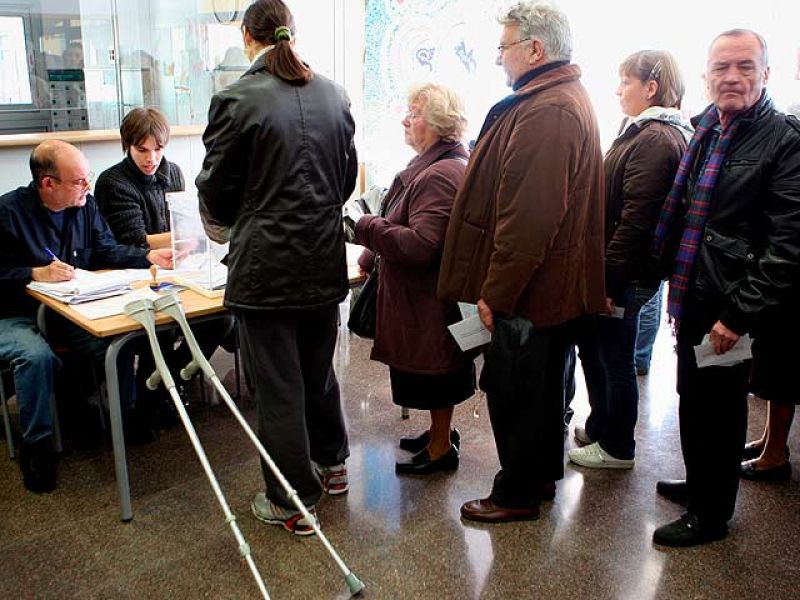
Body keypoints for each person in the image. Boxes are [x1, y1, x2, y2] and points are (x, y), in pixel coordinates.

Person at [438, 1, 605, 523]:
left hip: (531, 291)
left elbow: (529, 217)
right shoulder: (554, 97)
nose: (498, 58)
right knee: (540, 391)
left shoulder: (548, 109)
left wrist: (497, 292)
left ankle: (515, 494)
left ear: (535, 49)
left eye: (503, 47)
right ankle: (537, 480)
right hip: (545, 288)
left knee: (517, 392)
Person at [196, 0, 357, 536]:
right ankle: (333, 465)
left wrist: (241, 221)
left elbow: (216, 188)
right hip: (323, 258)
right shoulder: (334, 94)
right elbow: (345, 179)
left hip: (266, 268)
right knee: (317, 371)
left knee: (279, 386)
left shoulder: (236, 98)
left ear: (247, 35)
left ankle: (292, 501)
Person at [652, 29, 800, 547]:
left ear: (766, 74)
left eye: (745, 66)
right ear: (706, 76)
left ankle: (711, 514)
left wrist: (738, 314)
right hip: (695, 294)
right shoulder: (706, 129)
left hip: (731, 306)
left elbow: (789, 243)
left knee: (719, 409)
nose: (732, 77)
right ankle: (700, 484)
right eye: (721, 67)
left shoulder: (784, 139)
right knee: (693, 399)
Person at [0, 140, 173, 493]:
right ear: (48, 183)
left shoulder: (85, 205)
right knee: (35, 358)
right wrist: (33, 273)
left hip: (70, 310)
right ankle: (38, 447)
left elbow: (106, 249)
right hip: (15, 313)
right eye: (79, 181)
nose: (87, 187)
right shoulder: (8, 213)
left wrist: (147, 257)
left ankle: (123, 417)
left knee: (120, 339)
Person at [568, 50, 691, 469]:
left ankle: (617, 446)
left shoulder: (654, 139)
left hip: (625, 274)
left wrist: (607, 282)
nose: (618, 90)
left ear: (651, 87)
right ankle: (602, 424)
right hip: (624, 271)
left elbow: (636, 222)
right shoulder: (649, 133)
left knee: (615, 359)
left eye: (625, 82)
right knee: (602, 352)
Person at [349, 83, 473, 475]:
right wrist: (373, 251)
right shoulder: (440, 165)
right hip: (425, 297)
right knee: (437, 370)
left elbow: (422, 244)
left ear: (438, 123)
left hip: (427, 300)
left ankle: (441, 448)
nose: (405, 120)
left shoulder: (439, 174)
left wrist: (365, 227)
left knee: (437, 374)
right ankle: (440, 433)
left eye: (415, 113)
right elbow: (406, 219)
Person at [94, 108, 233, 424]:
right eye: (142, 150)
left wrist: (189, 238)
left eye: (158, 149)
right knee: (158, 328)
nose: (152, 158)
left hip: (174, 269)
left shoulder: (172, 172)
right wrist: (188, 235)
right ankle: (154, 394)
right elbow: (135, 240)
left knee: (221, 318)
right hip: (132, 272)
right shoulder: (113, 182)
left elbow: (182, 218)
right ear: (127, 146)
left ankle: (173, 379)